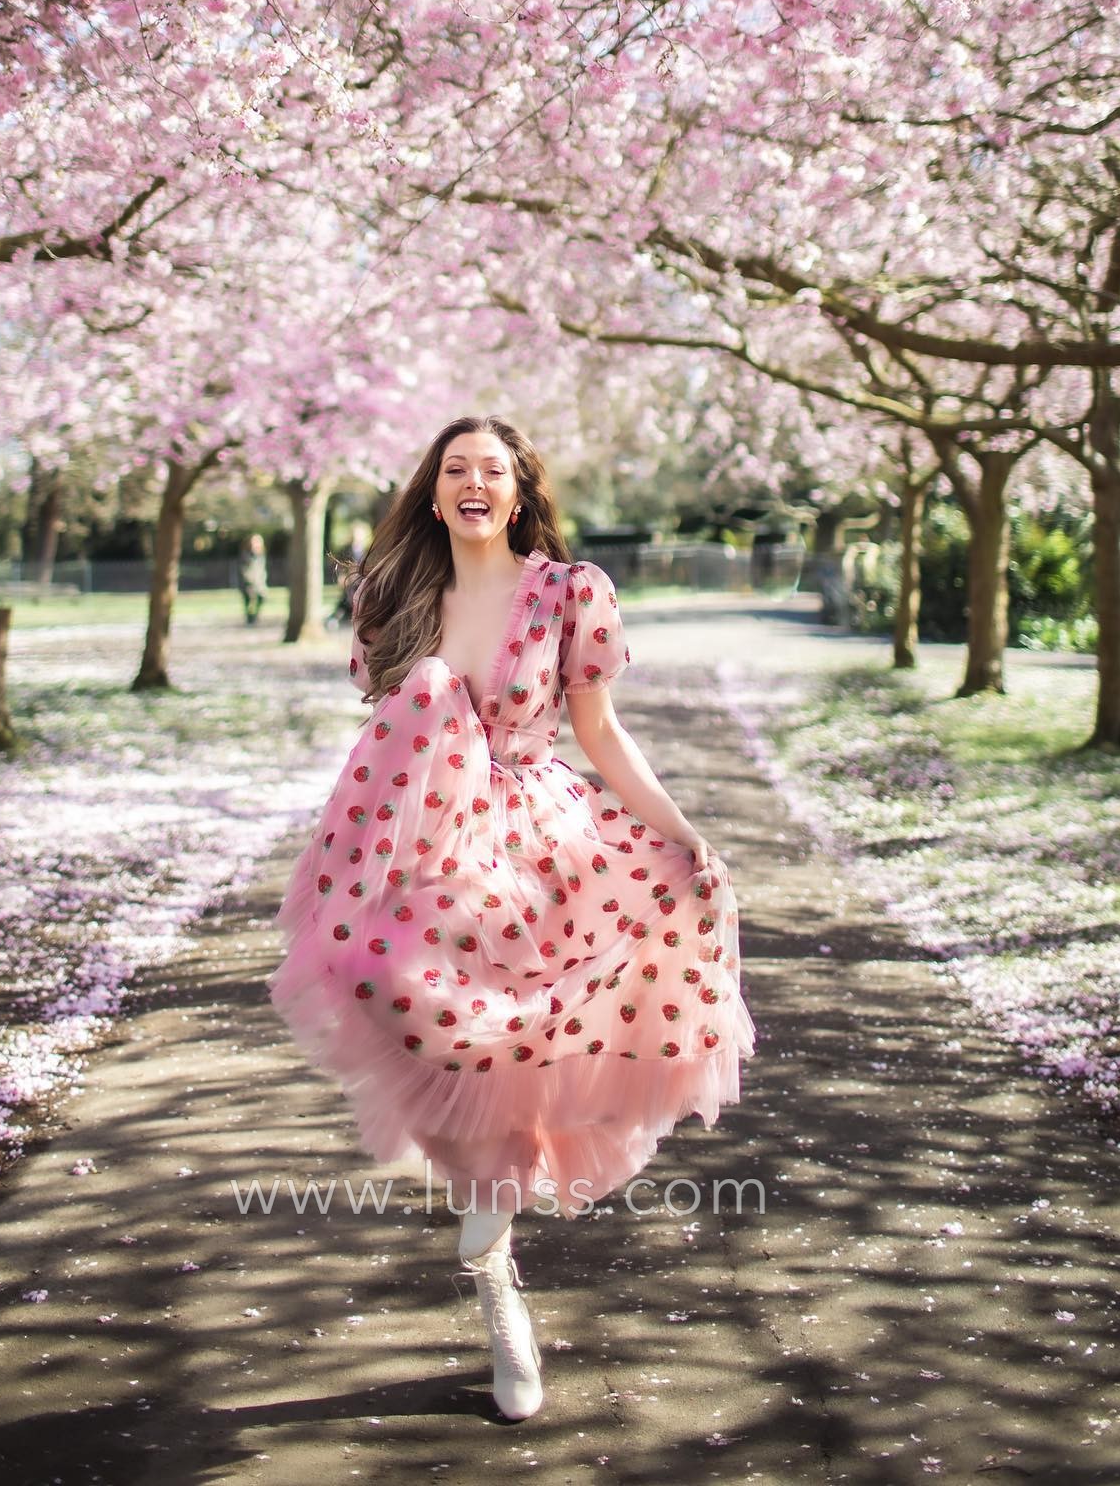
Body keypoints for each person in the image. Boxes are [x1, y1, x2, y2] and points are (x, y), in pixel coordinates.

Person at [268, 414, 757, 1422]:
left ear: (521, 490)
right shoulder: (395, 590)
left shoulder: (567, 593)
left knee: (518, 1049)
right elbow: (390, 721)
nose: (474, 482)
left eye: (494, 469)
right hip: (415, 839)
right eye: (456, 469)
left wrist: (685, 833)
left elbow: (602, 733)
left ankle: (497, 1283)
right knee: (391, 989)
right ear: (435, 491)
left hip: (536, 839)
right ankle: (489, 1235)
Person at [239, 533, 267, 626]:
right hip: (249, 583)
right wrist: (249, 581)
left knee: (261, 598)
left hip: (260, 583)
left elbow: (262, 570)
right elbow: (244, 570)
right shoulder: (246, 554)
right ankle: (250, 619)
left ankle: (255, 617)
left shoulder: (261, 555)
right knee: (249, 602)